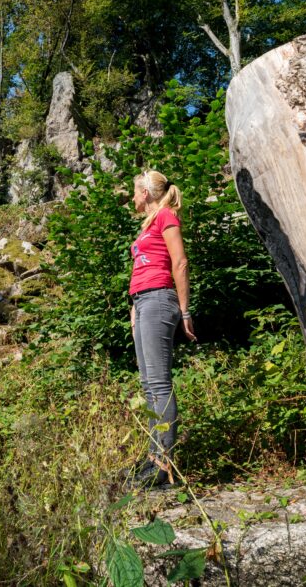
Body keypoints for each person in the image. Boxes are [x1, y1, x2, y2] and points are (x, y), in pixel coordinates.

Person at [127, 170, 197, 488]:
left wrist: (185, 311)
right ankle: (154, 458)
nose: (132, 197)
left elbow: (179, 262)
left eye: (135, 191)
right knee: (148, 386)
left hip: (159, 299)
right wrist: (133, 307)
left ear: (146, 192)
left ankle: (162, 465)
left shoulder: (166, 215)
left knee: (158, 384)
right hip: (143, 302)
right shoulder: (148, 223)